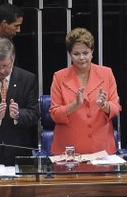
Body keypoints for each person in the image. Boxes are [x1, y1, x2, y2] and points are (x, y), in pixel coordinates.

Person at [49, 28, 121, 156]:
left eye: (85, 53)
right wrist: (74, 105)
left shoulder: (106, 73)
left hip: (101, 146)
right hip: (68, 148)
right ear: (70, 54)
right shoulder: (59, 77)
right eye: (76, 54)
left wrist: (104, 105)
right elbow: (54, 113)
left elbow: (116, 108)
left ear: (92, 52)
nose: (81, 58)